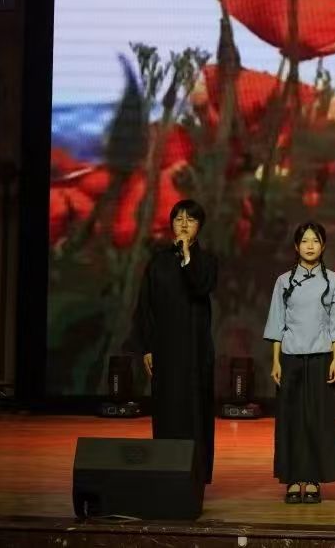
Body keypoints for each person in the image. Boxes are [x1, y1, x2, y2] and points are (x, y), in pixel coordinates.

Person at [129, 199, 218, 483]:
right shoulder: (158, 261)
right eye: (178, 219)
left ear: (199, 226)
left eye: (190, 219)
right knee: (167, 410)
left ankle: (196, 474)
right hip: (165, 350)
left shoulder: (206, 261)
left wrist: (187, 256)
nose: (183, 224)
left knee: (195, 411)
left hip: (195, 350)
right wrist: (147, 347)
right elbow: (146, 306)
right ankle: (166, 471)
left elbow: (200, 286)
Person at [264, 222, 335, 503]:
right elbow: (277, 323)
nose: (310, 246)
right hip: (290, 357)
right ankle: (293, 479)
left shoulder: (334, 281)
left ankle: (313, 480)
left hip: (320, 358)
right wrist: (276, 361)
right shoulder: (284, 281)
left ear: (323, 246)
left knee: (317, 419)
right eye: (305, 241)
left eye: (315, 241)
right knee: (291, 419)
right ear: (296, 246)